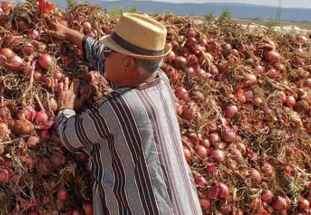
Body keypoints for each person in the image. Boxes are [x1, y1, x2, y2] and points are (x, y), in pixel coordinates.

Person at [49, 13, 202, 214]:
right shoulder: (161, 82)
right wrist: (73, 36)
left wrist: (65, 109)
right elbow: (106, 62)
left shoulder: (118, 106)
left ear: (128, 63)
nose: (104, 55)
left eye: (109, 52)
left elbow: (71, 137)